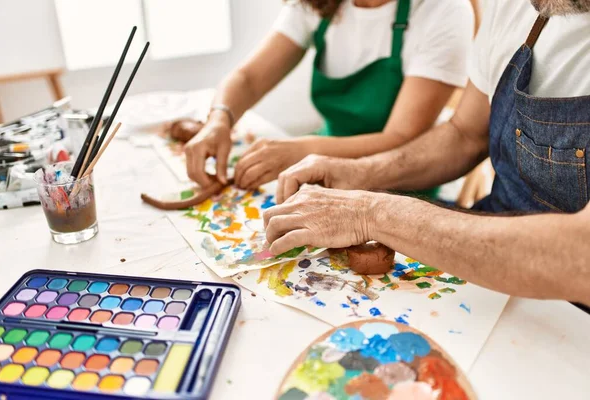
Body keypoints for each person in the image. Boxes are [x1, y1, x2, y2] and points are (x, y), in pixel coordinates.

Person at [263, 0, 590, 307]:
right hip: (484, 252)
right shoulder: (516, 7)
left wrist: (372, 213)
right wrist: (358, 171)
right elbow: (464, 134)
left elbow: (581, 255)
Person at [183, 0, 474, 195]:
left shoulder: (443, 10)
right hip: (320, 158)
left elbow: (400, 136)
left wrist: (302, 151)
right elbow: (249, 79)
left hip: (401, 180)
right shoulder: (318, 4)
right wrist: (219, 118)